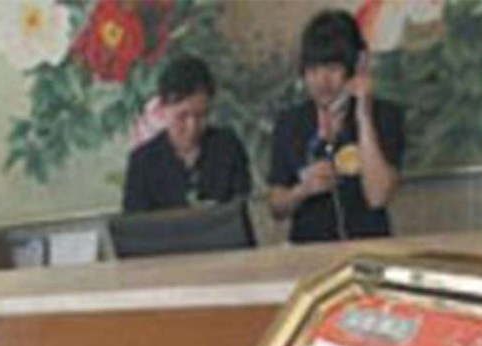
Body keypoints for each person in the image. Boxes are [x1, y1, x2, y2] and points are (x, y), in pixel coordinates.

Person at [267, 10, 404, 244]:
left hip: (368, 247)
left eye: (332, 69)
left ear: (354, 67)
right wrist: (302, 190)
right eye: (313, 71)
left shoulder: (385, 116)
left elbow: (378, 196)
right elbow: (275, 206)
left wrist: (363, 116)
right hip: (308, 251)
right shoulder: (290, 123)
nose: (322, 81)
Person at [123, 55, 252, 213]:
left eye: (201, 116)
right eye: (182, 116)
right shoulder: (143, 162)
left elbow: (240, 208)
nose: (192, 127)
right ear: (163, 109)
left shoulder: (228, 147)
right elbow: (136, 227)